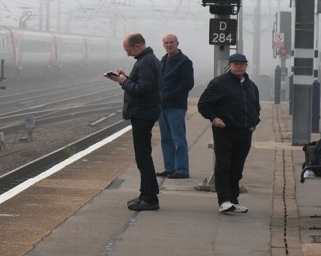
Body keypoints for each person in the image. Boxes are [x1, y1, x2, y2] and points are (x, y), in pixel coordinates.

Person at [197, 53, 261, 214]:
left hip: (245, 132)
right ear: (230, 65)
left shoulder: (251, 85)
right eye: (236, 64)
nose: (239, 66)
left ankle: (234, 200)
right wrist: (213, 118)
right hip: (225, 131)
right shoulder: (219, 83)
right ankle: (224, 200)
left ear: (246, 66)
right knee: (223, 166)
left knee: (237, 168)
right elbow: (203, 104)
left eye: (242, 64)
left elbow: (255, 106)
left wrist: (254, 122)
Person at [106, 33, 162, 211]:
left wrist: (123, 82)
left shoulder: (145, 62)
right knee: (143, 156)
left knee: (143, 157)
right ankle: (145, 194)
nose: (128, 54)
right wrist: (125, 78)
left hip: (142, 113)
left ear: (137, 45)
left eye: (128, 49)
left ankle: (150, 198)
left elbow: (142, 89)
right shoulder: (147, 59)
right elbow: (141, 84)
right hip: (144, 112)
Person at [157, 34, 195, 180]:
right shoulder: (163, 60)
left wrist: (170, 95)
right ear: (163, 44)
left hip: (176, 106)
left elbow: (187, 83)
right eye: (166, 43)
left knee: (178, 139)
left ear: (177, 43)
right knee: (166, 139)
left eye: (172, 42)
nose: (169, 45)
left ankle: (182, 169)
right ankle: (169, 167)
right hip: (162, 106)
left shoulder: (184, 62)